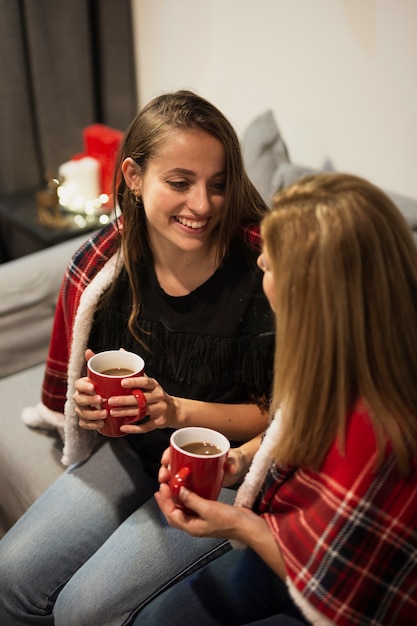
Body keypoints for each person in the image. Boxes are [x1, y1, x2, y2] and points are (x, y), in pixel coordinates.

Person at [0, 90, 276, 624]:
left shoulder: (262, 276)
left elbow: (279, 417)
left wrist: (176, 411)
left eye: (218, 185)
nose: (202, 205)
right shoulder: (105, 270)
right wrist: (90, 409)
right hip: (131, 454)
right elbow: (95, 380)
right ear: (132, 175)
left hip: (221, 471)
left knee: (84, 609)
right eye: (180, 182)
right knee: (10, 577)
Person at [141, 172, 417, 626]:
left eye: (270, 265)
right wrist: (239, 461)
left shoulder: (380, 423)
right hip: (287, 548)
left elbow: (338, 577)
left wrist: (236, 524)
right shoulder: (338, 350)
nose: (260, 266)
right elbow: (291, 430)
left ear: (317, 292)